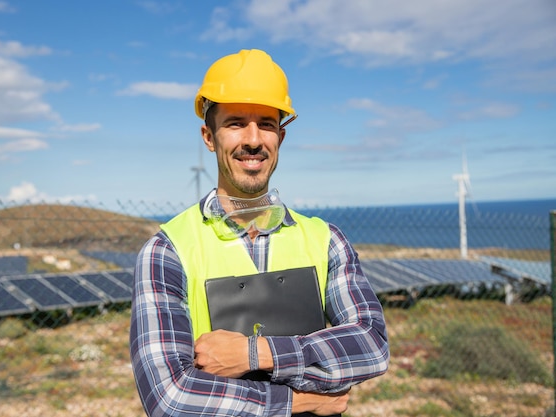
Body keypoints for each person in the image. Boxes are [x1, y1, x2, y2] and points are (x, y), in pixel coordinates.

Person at [129, 49, 389, 417]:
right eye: (235, 123)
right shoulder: (167, 251)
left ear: (281, 137)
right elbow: (169, 396)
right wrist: (297, 401)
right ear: (208, 136)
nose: (253, 140)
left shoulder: (326, 240)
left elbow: (372, 345)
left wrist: (256, 353)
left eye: (266, 123)